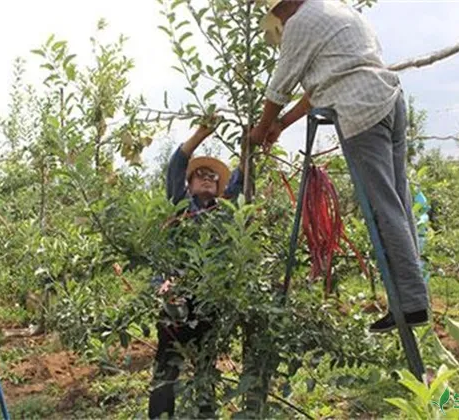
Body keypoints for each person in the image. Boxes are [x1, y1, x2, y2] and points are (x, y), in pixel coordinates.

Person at [250, 0, 430, 333]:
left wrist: (259, 132)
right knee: (399, 203)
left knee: (383, 208)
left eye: (276, 14)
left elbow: (280, 86)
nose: (279, 21)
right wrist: (281, 125)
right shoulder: (336, 9)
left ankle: (412, 304)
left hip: (360, 110)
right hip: (389, 99)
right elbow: (316, 90)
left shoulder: (301, 22)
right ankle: (411, 298)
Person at [148, 119, 243, 419]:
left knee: (205, 366)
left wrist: (253, 144)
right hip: (175, 295)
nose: (206, 179)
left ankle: (205, 415)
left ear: (219, 187)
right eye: (199, 176)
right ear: (189, 185)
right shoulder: (180, 207)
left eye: (212, 177)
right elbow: (176, 165)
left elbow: (242, 179)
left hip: (209, 300)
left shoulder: (223, 213)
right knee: (167, 366)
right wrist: (201, 133)